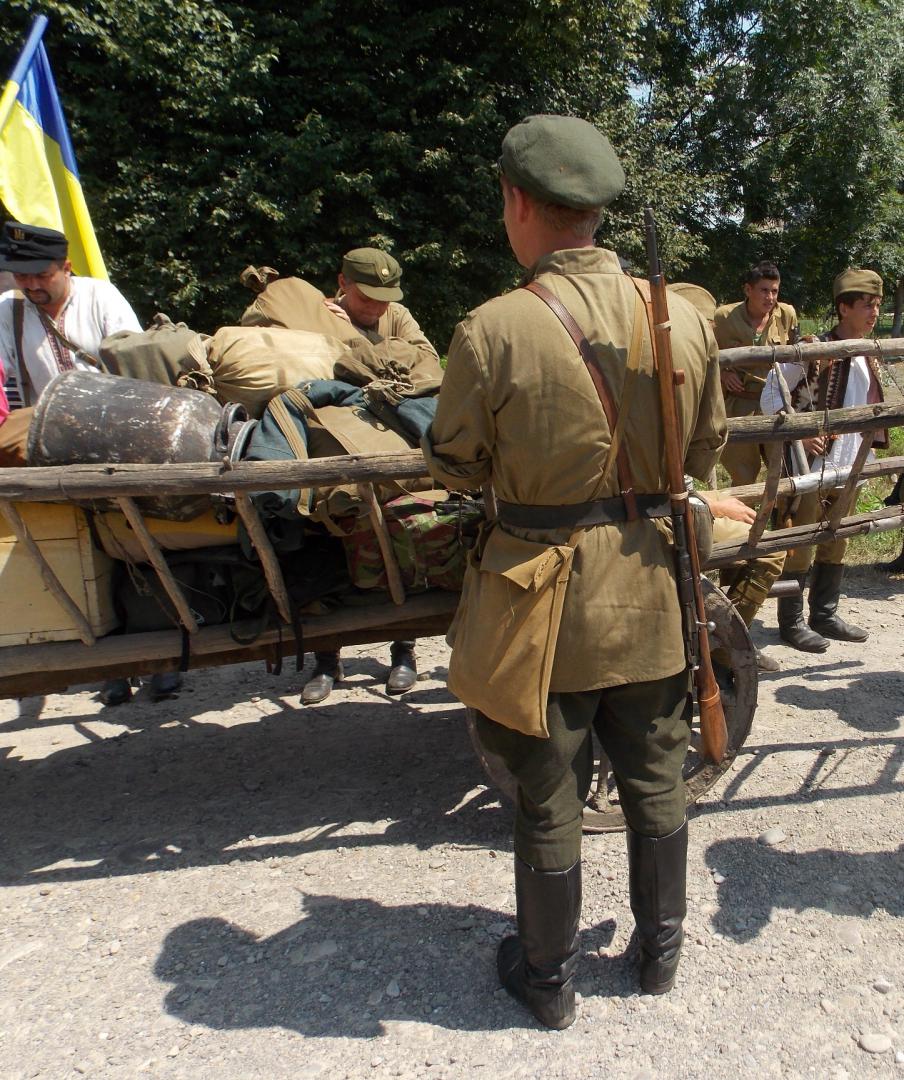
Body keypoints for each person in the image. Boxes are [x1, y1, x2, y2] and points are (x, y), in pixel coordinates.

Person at [423, 115, 727, 1029]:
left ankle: (548, 982)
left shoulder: (494, 327)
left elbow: (454, 465)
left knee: (548, 795)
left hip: (540, 604)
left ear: (519, 202)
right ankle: (659, 957)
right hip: (653, 591)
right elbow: (704, 451)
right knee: (657, 777)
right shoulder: (684, 319)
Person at [0, 221, 179, 704]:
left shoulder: (101, 297)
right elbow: (10, 387)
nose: (32, 285)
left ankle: (164, 657)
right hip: (49, 453)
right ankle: (111, 664)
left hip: (116, 444)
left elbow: (135, 369)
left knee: (144, 548)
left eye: (41, 275)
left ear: (66, 267)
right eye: (22, 275)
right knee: (85, 559)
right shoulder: (7, 309)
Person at [301, 248, 440, 705]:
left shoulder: (397, 315)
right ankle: (327, 658)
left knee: (402, 539)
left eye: (385, 298)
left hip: (393, 433)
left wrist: (357, 342)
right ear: (342, 283)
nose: (379, 308)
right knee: (326, 537)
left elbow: (426, 361)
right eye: (367, 298)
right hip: (333, 438)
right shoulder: (313, 313)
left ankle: (404, 650)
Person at [760, 268, 885, 652]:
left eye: (878, 305)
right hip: (812, 466)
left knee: (838, 538)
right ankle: (791, 621)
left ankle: (825, 614)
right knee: (801, 539)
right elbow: (770, 396)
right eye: (867, 305)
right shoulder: (811, 349)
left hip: (851, 463)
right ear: (844, 308)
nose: (875, 313)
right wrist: (800, 431)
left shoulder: (868, 353)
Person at [669, 284, 785, 671]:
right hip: (663, 518)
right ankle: (722, 649)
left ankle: (719, 637)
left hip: (674, 507)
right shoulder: (660, 389)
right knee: (769, 549)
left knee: (751, 528)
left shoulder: (670, 382)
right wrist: (711, 504)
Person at [714, 262, 799, 487]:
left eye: (774, 291)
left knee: (783, 472)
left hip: (776, 406)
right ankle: (743, 510)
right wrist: (723, 373)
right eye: (764, 290)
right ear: (748, 289)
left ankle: (779, 510)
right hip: (740, 403)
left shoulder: (786, 314)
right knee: (743, 476)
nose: (770, 297)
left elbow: (796, 354)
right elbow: (706, 354)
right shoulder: (724, 318)